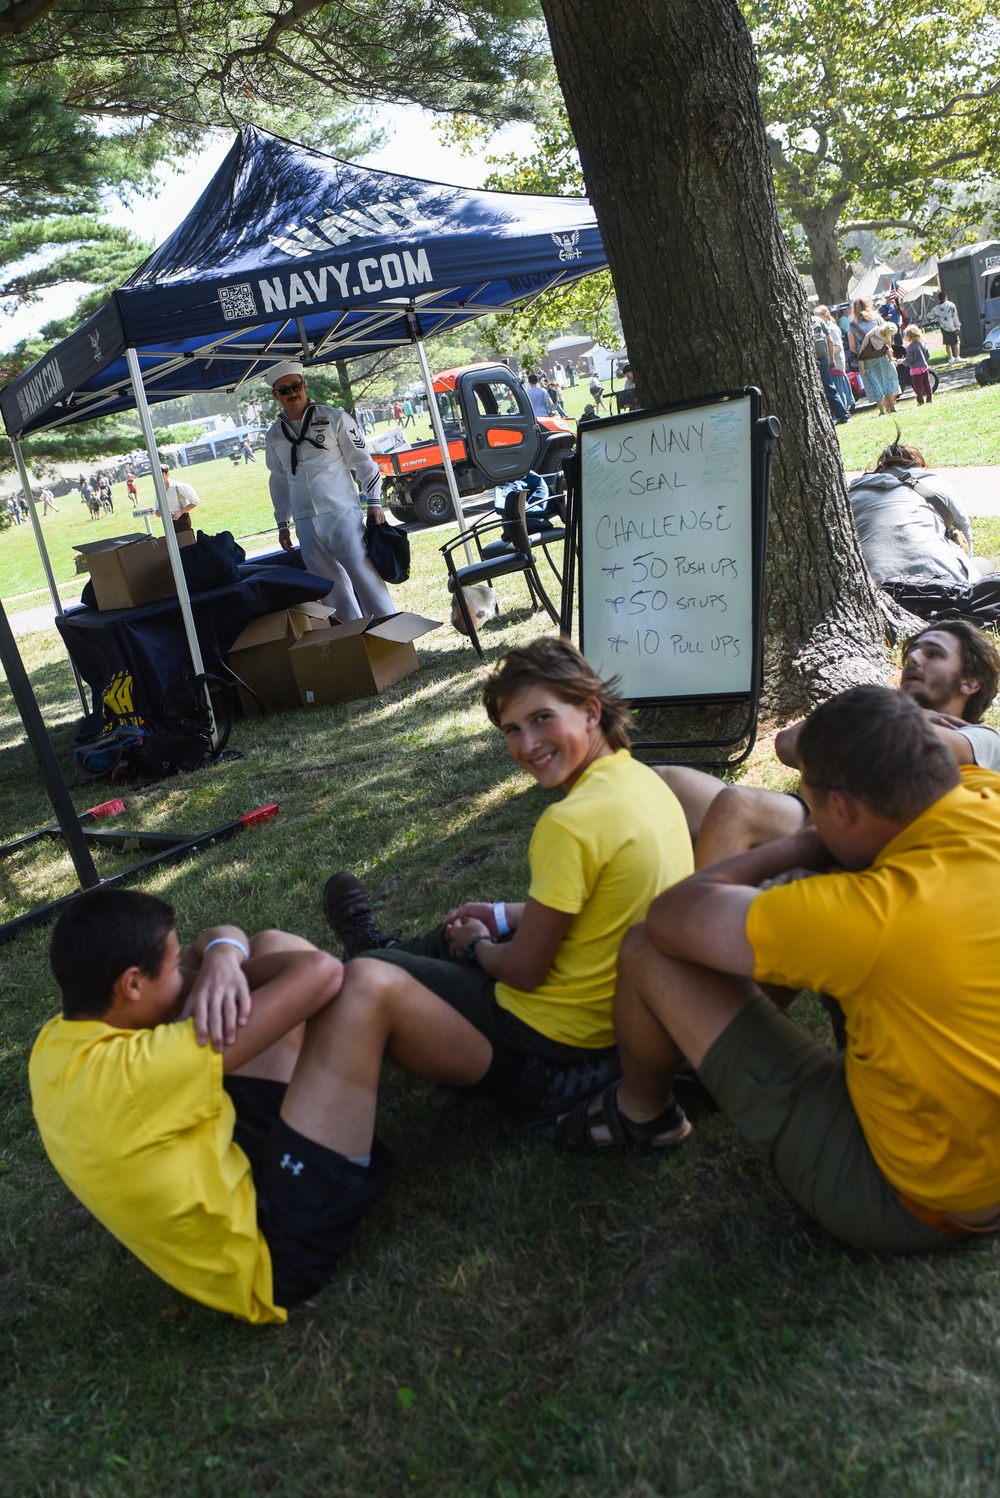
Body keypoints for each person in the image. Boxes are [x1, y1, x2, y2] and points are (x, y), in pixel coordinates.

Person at [559, 687, 1000, 1257]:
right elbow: (792, 744)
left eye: (812, 804)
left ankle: (643, 1111)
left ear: (840, 810)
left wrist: (812, 845)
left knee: (646, 948)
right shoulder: (983, 792)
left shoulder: (867, 917)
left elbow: (670, 919)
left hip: (924, 1201)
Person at [30, 887, 495, 1324]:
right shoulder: (138, 1073)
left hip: (236, 1165)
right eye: (172, 968)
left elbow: (219, 943)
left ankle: (417, 981)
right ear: (132, 985)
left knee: (271, 945)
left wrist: (222, 955)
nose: (183, 971)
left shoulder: (58, 1042)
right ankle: (530, 1081)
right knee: (363, 987)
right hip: (275, 1255)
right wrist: (218, 962)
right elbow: (322, 974)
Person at [321, 637, 694, 1139]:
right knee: (448, 932)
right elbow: (607, 903)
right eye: (512, 730)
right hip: (625, 1008)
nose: (526, 745)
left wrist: (475, 945)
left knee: (369, 976)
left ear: (589, 711)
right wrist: (500, 916)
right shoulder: (646, 782)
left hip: (558, 1030)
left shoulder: (570, 823)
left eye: (542, 719)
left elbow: (522, 970)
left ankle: (531, 1081)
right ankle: (385, 949)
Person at [657, 618, 1000, 867]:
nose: (913, 658)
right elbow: (788, 744)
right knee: (670, 783)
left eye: (934, 654)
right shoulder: (878, 715)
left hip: (888, 841)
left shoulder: (982, 738)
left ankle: (703, 937)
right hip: (821, 823)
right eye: (914, 651)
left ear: (970, 682)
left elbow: (920, 743)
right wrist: (889, 710)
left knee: (738, 805)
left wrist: (879, 717)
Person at [263, 360, 394, 621]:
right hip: (305, 521)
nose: (292, 393)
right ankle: (355, 639)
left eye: (296, 386)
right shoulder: (275, 434)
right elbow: (278, 480)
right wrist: (282, 522)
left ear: (304, 385)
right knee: (330, 589)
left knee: (364, 577)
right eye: (285, 389)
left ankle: (394, 634)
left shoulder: (335, 418)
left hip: (341, 512)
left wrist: (375, 501)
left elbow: (362, 460)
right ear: (275, 395)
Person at [847, 436, 987, 589]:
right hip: (941, 581)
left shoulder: (854, 492)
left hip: (875, 586)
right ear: (919, 465)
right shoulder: (933, 481)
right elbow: (963, 526)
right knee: (982, 565)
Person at [849, 297, 900, 415]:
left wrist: (862, 352)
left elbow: (852, 345)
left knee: (873, 382)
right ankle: (892, 408)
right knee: (887, 379)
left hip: (867, 359)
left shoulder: (852, 325)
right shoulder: (878, 319)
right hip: (883, 354)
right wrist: (888, 349)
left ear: (854, 310)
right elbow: (888, 336)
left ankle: (882, 410)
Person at [811, 311, 850, 424]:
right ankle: (843, 415)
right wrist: (831, 359)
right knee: (829, 387)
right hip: (822, 357)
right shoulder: (819, 320)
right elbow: (830, 341)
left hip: (810, 358)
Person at [816, 304, 854, 413]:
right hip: (830, 363)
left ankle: (843, 412)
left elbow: (837, 346)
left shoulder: (832, 329)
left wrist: (828, 357)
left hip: (835, 363)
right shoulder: (823, 328)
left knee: (838, 389)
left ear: (826, 315)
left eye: (819, 316)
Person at [159, 464, 200, 534]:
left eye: (161, 475)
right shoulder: (159, 490)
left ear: (167, 474)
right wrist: (158, 512)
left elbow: (195, 502)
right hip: (168, 522)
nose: (159, 478)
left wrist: (180, 512)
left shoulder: (179, 487)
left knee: (186, 542)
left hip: (182, 520)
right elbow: (157, 507)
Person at [904, 325, 934, 405]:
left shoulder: (910, 347)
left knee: (918, 386)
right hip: (924, 367)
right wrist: (923, 361)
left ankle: (920, 400)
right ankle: (929, 398)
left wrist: (903, 362)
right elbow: (927, 355)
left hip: (915, 369)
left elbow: (909, 359)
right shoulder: (923, 344)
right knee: (927, 383)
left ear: (908, 336)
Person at [934, 289, 962, 363]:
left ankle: (950, 358)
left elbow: (933, 316)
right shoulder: (951, 305)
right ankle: (957, 356)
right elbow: (954, 316)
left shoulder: (937, 308)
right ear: (946, 297)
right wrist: (957, 325)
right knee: (956, 341)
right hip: (952, 325)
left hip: (943, 326)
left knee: (947, 342)